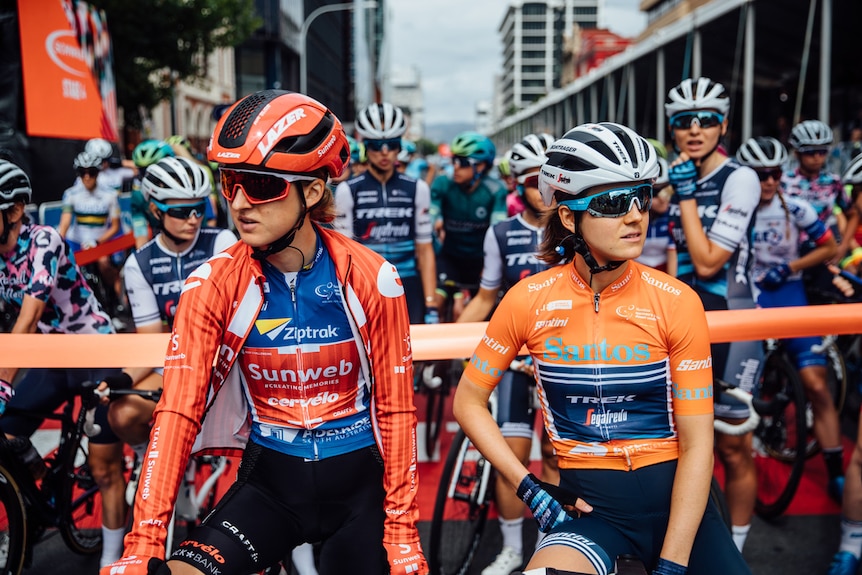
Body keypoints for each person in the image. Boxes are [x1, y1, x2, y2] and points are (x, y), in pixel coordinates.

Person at [101, 90, 427, 575]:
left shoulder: (371, 276)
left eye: (260, 185)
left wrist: (401, 533)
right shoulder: (212, 284)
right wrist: (143, 542)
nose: (238, 203)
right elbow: (176, 412)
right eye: (230, 182)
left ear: (313, 191)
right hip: (272, 485)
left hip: (360, 489)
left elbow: (397, 410)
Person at [453, 122, 749, 575]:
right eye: (613, 203)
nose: (635, 216)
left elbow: (697, 445)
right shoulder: (527, 299)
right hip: (591, 514)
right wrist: (528, 485)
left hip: (680, 506)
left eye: (642, 198)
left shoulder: (676, 300)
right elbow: (468, 402)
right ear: (569, 217)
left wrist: (672, 563)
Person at [0, 158, 128, 568]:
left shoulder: (43, 241)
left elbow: (29, 316)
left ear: (14, 211)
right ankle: (37, 488)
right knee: (4, 432)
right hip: (51, 354)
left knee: (105, 465)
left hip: (93, 351)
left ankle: (110, 560)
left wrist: (3, 383)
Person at [664, 77, 763, 553]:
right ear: (673, 129)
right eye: (684, 121)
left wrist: (683, 197)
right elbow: (671, 262)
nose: (695, 129)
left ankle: (737, 551)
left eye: (706, 120)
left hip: (732, 316)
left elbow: (706, 262)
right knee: (685, 443)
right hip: (686, 321)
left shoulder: (738, 178)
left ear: (723, 125)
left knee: (730, 445)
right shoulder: (683, 176)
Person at [457, 132, 558, 575]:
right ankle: (513, 549)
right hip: (517, 363)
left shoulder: (576, 230)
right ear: (518, 183)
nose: (545, 190)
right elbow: (484, 298)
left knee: (558, 460)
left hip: (562, 365)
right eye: (535, 180)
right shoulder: (501, 233)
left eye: (552, 179)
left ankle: (548, 548)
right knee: (510, 460)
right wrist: (440, 343)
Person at [102, 156, 236, 457]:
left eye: (199, 209)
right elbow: (150, 340)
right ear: (154, 210)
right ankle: (145, 457)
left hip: (222, 362)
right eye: (180, 211)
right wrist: (123, 380)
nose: (193, 219)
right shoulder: (140, 263)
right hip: (175, 364)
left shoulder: (222, 241)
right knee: (120, 414)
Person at [736, 136, 845, 501]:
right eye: (760, 174)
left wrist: (791, 267)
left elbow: (830, 247)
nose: (768, 182)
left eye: (775, 174)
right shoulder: (733, 209)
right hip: (749, 295)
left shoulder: (797, 208)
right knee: (744, 384)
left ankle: (835, 472)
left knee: (815, 383)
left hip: (788, 291)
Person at [334, 102, 437, 324]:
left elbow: (425, 249)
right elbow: (343, 251)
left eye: (391, 145)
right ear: (365, 146)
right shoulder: (348, 190)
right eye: (375, 145)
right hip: (365, 284)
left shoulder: (417, 188)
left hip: (408, 281)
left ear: (400, 146)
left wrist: (431, 303)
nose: (384, 152)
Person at [430, 131, 507, 320]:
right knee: (436, 303)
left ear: (480, 166)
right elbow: (431, 214)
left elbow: (498, 230)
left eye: (462, 162)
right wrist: (436, 219)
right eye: (454, 160)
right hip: (450, 258)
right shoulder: (443, 184)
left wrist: (490, 264)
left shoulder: (495, 190)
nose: (455, 167)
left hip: (481, 260)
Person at [783, 119, 858, 271]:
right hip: (791, 254)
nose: (817, 157)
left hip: (823, 253)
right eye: (810, 152)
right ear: (797, 153)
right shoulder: (784, 181)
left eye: (822, 151)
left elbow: (853, 213)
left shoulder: (833, 182)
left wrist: (843, 247)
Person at [58, 150, 125, 315]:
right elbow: (65, 224)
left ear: (98, 172)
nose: (87, 177)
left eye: (92, 173)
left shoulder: (110, 195)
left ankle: (115, 302)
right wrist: (59, 242)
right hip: (77, 240)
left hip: (100, 240)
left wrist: (97, 242)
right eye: (82, 173)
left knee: (104, 263)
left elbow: (115, 226)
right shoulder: (71, 194)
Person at [129, 139, 176, 248]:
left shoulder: (189, 187)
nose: (148, 178)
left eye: (154, 172)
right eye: (143, 172)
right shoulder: (138, 196)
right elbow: (140, 232)